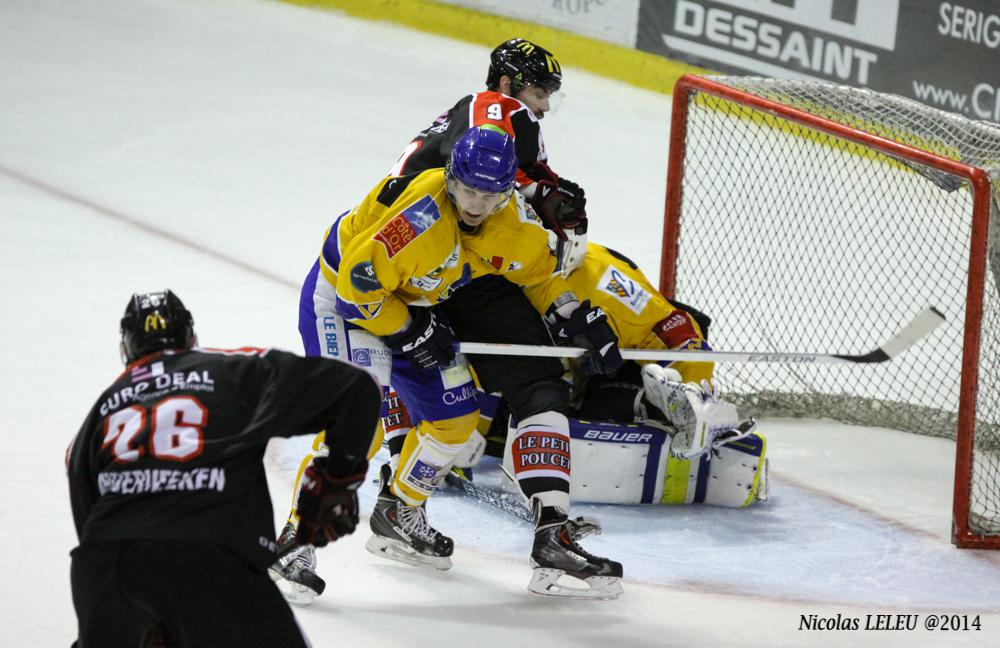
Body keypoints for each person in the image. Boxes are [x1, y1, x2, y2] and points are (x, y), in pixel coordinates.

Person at [280, 126, 624, 600]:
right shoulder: (419, 218)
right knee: (359, 422)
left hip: (410, 309)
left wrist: (571, 313)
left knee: (457, 421)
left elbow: (540, 275)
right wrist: (408, 329)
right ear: (450, 178)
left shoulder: (514, 222)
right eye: (466, 189)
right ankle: (294, 543)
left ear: (507, 191)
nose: (475, 204)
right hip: (345, 306)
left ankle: (398, 512)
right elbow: (356, 292)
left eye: (489, 193)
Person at [66, 290, 381, 646]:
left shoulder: (105, 406)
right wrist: (337, 480)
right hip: (209, 558)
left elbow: (83, 497)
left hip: (106, 569)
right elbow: (357, 388)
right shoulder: (230, 369)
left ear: (126, 350)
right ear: (191, 337)